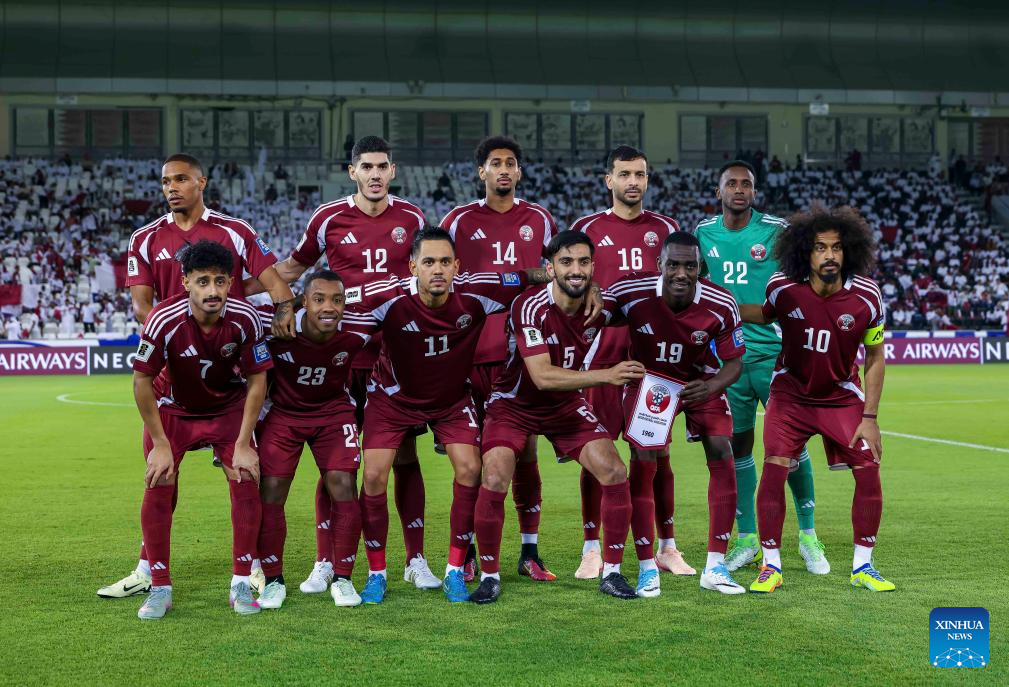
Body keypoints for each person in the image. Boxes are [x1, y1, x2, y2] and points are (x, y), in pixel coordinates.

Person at [97, 153, 295, 600]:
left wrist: (283, 313)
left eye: (182, 179)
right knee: (161, 476)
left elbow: (278, 287)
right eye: (166, 181)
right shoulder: (145, 238)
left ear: (201, 182)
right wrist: (175, 345)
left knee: (245, 475)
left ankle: (251, 567)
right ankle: (148, 570)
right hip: (172, 379)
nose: (172, 187)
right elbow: (143, 307)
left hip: (229, 379)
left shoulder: (235, 231)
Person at [246, 136, 436, 594]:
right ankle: (325, 561)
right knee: (338, 465)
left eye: (382, 167)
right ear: (353, 172)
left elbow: (426, 274)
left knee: (404, 458)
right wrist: (240, 292)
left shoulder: (412, 218)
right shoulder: (328, 218)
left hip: (394, 357)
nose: (375, 174)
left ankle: (415, 559)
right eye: (366, 167)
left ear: (393, 171)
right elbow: (292, 268)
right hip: (342, 357)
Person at [348, 227, 578, 604]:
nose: (437, 269)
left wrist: (574, 280)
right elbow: (334, 301)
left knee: (470, 468)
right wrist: (290, 307)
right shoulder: (386, 295)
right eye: (428, 262)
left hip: (451, 400)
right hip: (392, 399)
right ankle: (377, 574)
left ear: (457, 266)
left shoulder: (477, 290)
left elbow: (527, 276)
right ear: (413, 267)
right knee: (373, 475)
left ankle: (455, 570)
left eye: (444, 262)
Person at [470, 231, 644, 604]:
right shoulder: (529, 306)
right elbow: (542, 376)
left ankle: (612, 573)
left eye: (583, 262)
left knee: (615, 471)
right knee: (496, 475)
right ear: (550, 269)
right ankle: (489, 576)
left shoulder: (602, 306)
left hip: (565, 406)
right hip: (514, 403)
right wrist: (607, 375)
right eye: (566, 262)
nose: (575, 270)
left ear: (593, 267)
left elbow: (643, 302)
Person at [737, 205, 892, 593]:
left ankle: (863, 566)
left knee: (868, 467)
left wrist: (870, 417)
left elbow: (875, 357)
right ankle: (771, 566)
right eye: (820, 248)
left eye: (836, 247)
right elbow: (764, 314)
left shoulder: (867, 296)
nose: (829, 255)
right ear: (805, 252)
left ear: (848, 251)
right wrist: (721, 304)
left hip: (841, 397)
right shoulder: (783, 287)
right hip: (790, 396)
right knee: (774, 468)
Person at [693, 160, 826, 575]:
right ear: (718, 191)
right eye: (731, 183)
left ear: (754, 191)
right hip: (727, 360)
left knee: (792, 447)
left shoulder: (776, 231)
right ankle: (748, 538)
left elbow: (805, 282)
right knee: (738, 447)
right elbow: (694, 283)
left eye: (746, 184)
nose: (739, 189)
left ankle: (808, 537)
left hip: (775, 357)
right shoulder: (703, 233)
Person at [131, 240, 273, 619]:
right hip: (173, 410)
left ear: (230, 283)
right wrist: (160, 443)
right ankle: (160, 587)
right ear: (186, 282)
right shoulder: (163, 318)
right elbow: (141, 381)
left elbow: (258, 380)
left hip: (227, 409)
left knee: (245, 475)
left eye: (220, 281)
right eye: (203, 281)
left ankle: (240, 583)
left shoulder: (245, 318)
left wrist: (243, 442)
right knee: (159, 479)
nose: (213, 290)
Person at [569, 144, 690, 584]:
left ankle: (667, 547)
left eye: (639, 174)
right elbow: (571, 283)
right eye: (624, 174)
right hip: (601, 356)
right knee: (595, 452)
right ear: (610, 180)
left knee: (655, 454)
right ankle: (591, 549)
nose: (633, 182)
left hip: (652, 359)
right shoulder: (587, 228)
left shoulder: (667, 228)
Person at [440, 135, 558, 582]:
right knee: (471, 460)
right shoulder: (458, 220)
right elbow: (449, 278)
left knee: (526, 452)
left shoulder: (539, 219)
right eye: (495, 163)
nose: (503, 169)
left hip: (524, 353)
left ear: (519, 171)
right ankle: (467, 551)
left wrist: (524, 279)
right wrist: (513, 277)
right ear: (482, 172)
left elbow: (552, 274)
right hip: (471, 353)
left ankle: (529, 551)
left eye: (510, 163)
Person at [606, 232, 747, 596]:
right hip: (650, 383)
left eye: (690, 266)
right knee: (644, 460)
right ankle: (646, 567)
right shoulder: (630, 292)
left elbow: (734, 363)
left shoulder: (721, 302)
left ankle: (715, 566)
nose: (681, 273)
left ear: (700, 268)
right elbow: (590, 312)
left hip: (699, 383)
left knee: (722, 449)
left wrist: (712, 387)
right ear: (660, 265)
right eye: (673, 265)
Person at [255, 270, 373, 609]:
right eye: (319, 299)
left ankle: (343, 579)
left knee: (344, 485)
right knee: (272, 491)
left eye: (337, 300)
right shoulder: (277, 328)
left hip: (333, 414)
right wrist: (285, 306)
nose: (329, 308)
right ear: (304, 301)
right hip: (284, 415)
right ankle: (273, 581)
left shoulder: (358, 330)